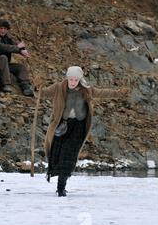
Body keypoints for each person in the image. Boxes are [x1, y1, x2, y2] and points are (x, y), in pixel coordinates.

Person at [35, 66, 129, 196]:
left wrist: (119, 93)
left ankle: (61, 188)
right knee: (58, 154)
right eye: (70, 79)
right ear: (67, 78)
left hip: (78, 128)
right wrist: (38, 86)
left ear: (80, 79)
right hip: (62, 126)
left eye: (75, 80)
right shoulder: (58, 87)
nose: (72, 82)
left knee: (68, 155)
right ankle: (59, 184)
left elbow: (103, 93)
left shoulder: (87, 90)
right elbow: (42, 93)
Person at [0, 19, 33, 96]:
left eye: (5, 29)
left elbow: (15, 44)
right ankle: (6, 84)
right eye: (1, 28)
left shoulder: (7, 37)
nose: (3, 30)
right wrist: (18, 47)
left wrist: (22, 51)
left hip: (4, 64)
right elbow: (3, 47)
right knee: (3, 57)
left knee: (20, 67)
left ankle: (26, 86)